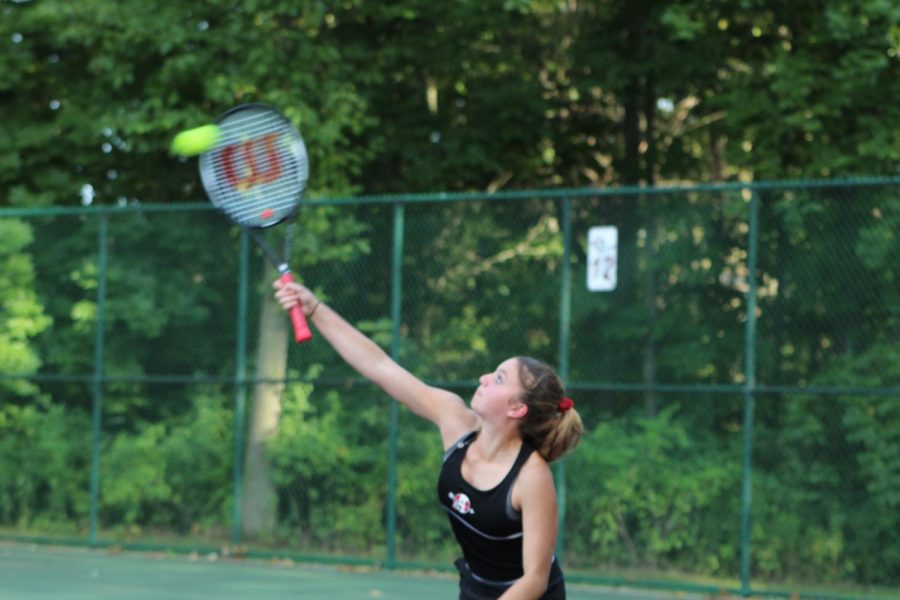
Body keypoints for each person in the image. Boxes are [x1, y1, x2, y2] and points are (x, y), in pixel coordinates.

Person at [274, 280, 584, 600]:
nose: (484, 378)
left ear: (518, 408)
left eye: (499, 378)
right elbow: (380, 366)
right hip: (475, 589)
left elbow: (535, 579)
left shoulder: (531, 477)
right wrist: (314, 309)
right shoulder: (455, 421)